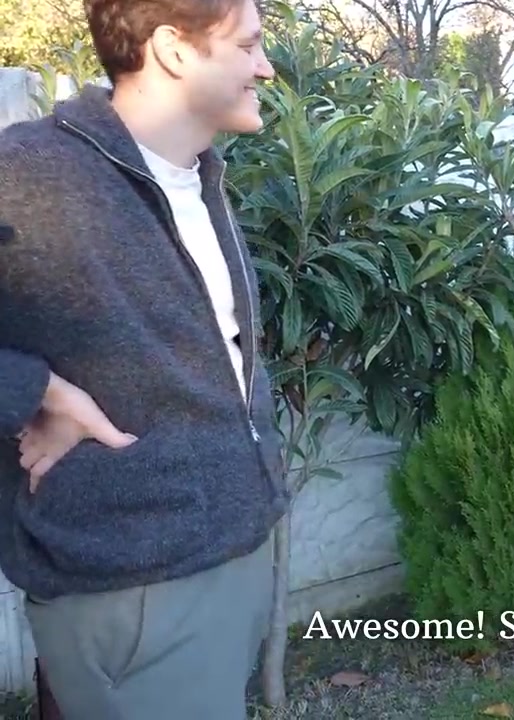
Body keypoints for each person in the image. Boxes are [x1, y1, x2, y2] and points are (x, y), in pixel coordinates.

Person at [0, 0, 285, 718]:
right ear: (174, 49)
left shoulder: (192, 176)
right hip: (134, 588)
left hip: (226, 558)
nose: (265, 67)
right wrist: (38, 390)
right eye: (248, 45)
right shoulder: (30, 173)